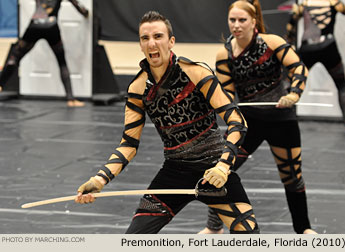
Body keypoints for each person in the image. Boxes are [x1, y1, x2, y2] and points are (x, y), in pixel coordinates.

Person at [75, 10, 259, 234]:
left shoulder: (196, 73)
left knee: (249, 236)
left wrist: (223, 166)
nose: (152, 43)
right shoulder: (137, 88)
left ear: (171, 41)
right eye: (145, 38)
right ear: (141, 45)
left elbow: (237, 122)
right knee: (133, 240)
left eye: (158, 36)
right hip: (174, 172)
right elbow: (128, 145)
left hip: (214, 170)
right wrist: (100, 179)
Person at [199, 0, 316, 234]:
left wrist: (294, 94)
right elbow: (227, 91)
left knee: (292, 176)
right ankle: (214, 227)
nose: (236, 25)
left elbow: (299, 68)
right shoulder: (225, 53)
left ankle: (303, 229)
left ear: (254, 21)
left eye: (242, 20)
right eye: (232, 20)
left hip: (281, 118)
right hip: (247, 122)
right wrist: (227, 103)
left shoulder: (272, 43)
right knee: (222, 170)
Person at [0, 0, 89, 107]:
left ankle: (0, 84)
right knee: (62, 62)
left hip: (35, 25)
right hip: (51, 27)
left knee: (15, 57)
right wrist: (86, 13)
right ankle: (71, 99)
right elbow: (79, 7)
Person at [285, 0, 345, 131]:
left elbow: (291, 26)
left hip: (308, 48)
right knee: (342, 85)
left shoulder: (304, 5)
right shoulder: (335, 3)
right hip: (328, 47)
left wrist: (289, 42)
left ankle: (285, 119)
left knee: (291, 81)